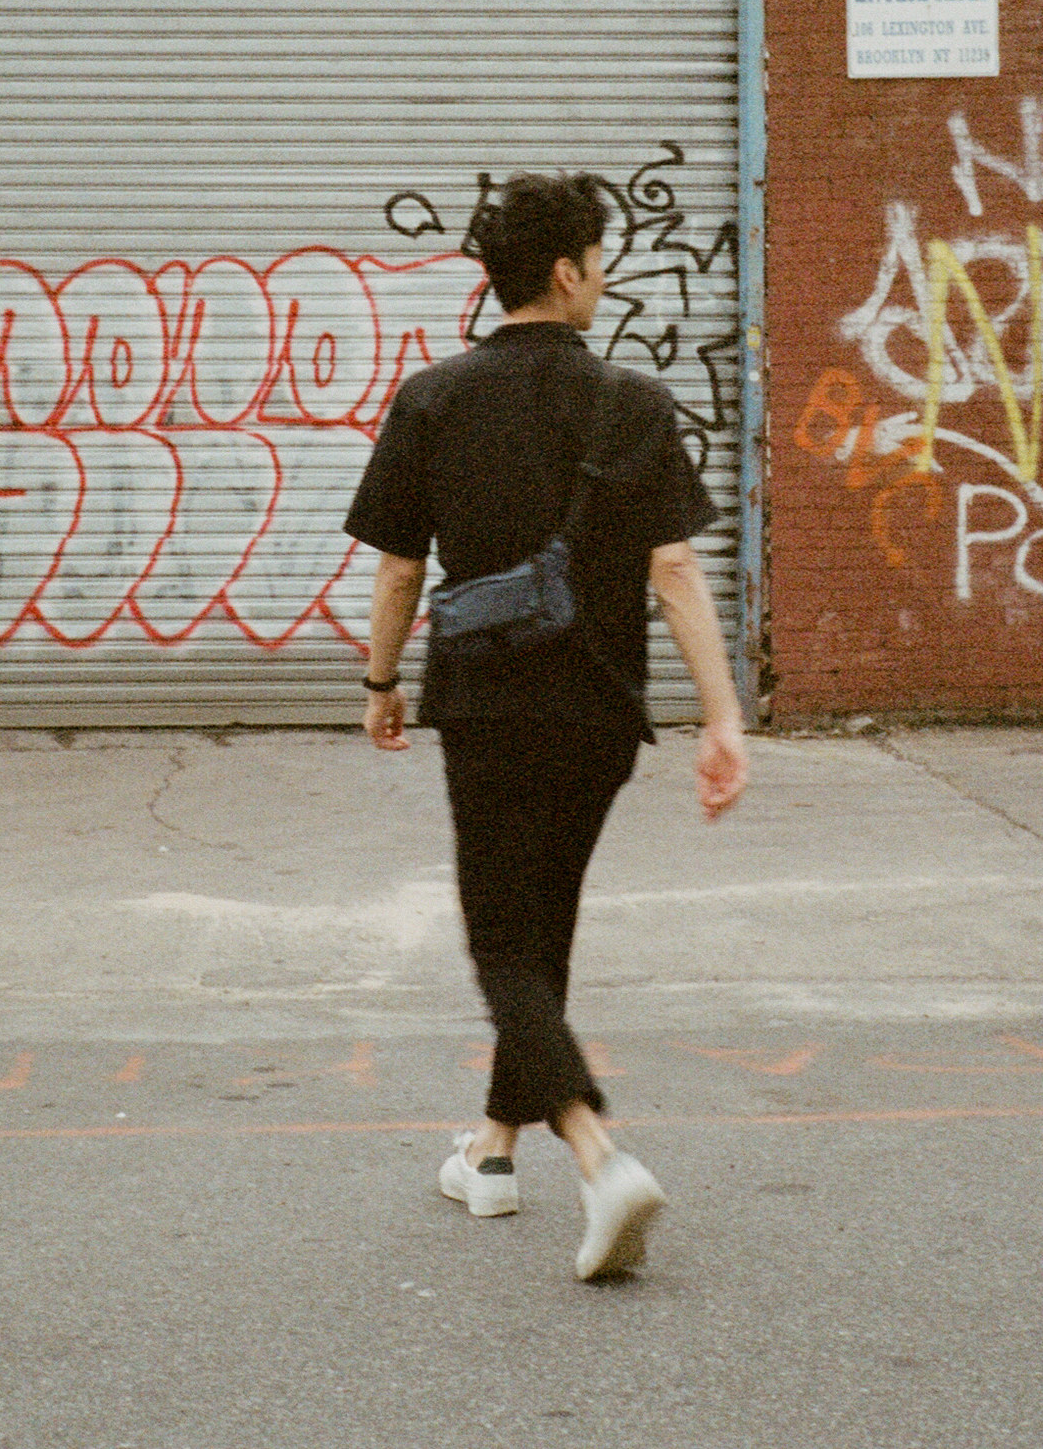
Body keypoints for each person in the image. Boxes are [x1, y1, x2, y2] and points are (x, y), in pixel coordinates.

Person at [343, 170, 751, 1283]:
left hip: (485, 702)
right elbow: (672, 567)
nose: (606, 279)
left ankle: (599, 1154)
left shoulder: (433, 397)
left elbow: (397, 569)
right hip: (601, 712)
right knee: (545, 922)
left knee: (500, 941)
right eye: (601, 260)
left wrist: (380, 682)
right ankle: (491, 1152)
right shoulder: (633, 402)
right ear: (567, 271)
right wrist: (722, 717)